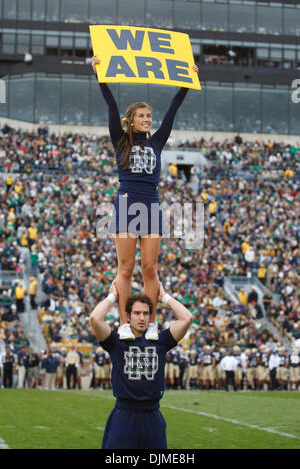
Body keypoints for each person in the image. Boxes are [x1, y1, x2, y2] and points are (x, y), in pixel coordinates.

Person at [92, 55, 198, 341]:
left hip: (151, 205)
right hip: (126, 204)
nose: (147, 119)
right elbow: (111, 105)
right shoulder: (120, 139)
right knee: (125, 268)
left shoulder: (157, 142)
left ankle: (149, 322)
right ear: (131, 120)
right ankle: (127, 323)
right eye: (142, 115)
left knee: (150, 267)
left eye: (149, 116)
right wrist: (99, 72)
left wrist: (186, 81)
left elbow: (173, 109)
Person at [89, 280, 193, 449]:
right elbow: (95, 318)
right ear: (128, 316)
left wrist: (165, 297)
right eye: (137, 313)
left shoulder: (160, 341)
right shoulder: (116, 342)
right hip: (124, 415)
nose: (142, 318)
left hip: (152, 415)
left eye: (145, 313)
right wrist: (112, 297)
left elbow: (187, 318)